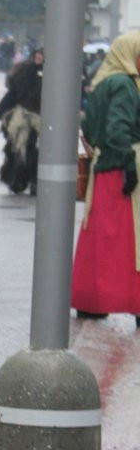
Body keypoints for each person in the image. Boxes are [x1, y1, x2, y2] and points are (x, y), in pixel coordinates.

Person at [71, 31, 140, 326]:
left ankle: (92, 301)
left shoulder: (101, 84)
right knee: (132, 240)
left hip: (103, 171)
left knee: (98, 238)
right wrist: (129, 164)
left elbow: (88, 129)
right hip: (122, 168)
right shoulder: (125, 85)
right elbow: (118, 129)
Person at [0, 47, 44, 195]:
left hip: (40, 118)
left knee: (37, 150)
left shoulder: (51, 74)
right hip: (22, 115)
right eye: (38, 54)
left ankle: (35, 180)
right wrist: (0, 110)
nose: (39, 57)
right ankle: (17, 180)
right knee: (17, 147)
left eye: (42, 55)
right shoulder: (24, 72)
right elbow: (13, 94)